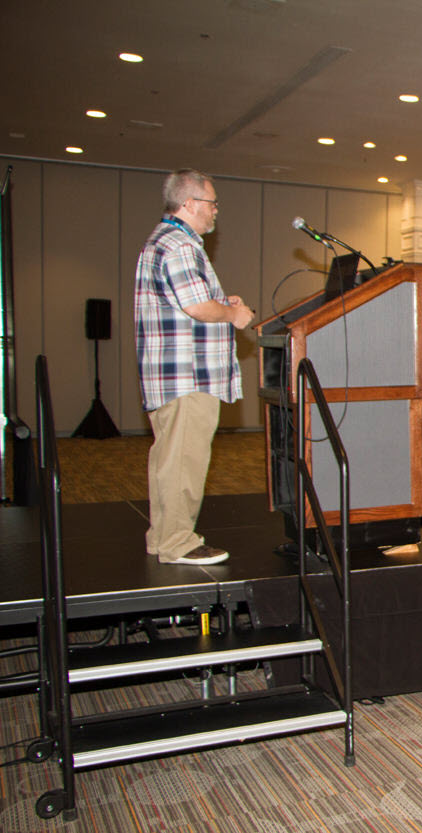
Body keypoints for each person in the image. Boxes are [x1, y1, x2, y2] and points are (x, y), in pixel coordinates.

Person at [134, 168, 254, 565]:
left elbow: (189, 302)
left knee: (169, 461)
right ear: (188, 204)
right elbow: (197, 307)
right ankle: (178, 543)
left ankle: (162, 537)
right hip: (188, 376)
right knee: (183, 462)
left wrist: (222, 304)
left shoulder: (164, 240)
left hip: (172, 375)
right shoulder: (180, 246)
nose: (216, 210)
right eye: (211, 202)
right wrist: (233, 315)